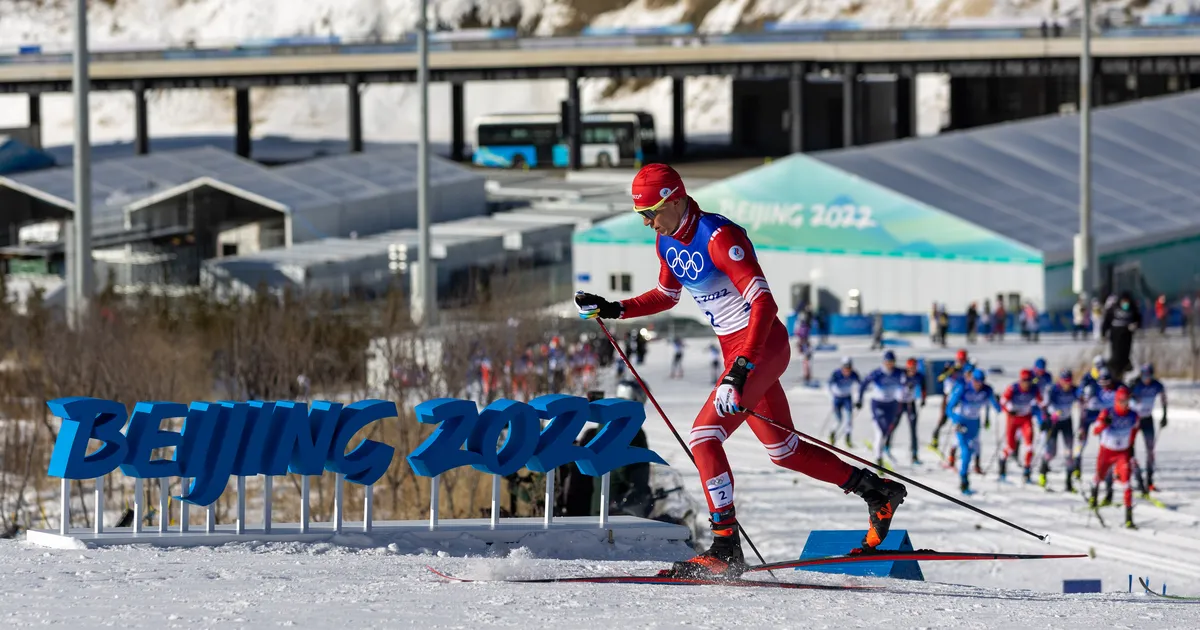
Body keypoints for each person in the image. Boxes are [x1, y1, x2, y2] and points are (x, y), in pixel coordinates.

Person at [574, 163, 906, 578]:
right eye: (641, 216)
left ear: (675, 199)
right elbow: (666, 294)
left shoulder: (719, 236)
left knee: (703, 437)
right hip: (738, 351)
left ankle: (725, 546)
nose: (648, 223)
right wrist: (615, 308)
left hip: (760, 345)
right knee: (785, 451)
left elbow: (764, 303)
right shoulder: (666, 240)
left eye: (652, 212)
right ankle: (878, 491)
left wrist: (741, 368)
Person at [1089, 386, 1140, 529]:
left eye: (1127, 401)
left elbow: (1135, 430)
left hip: (1122, 453)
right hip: (1107, 451)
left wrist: (1131, 448)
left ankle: (1129, 518)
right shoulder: (1107, 412)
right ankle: (1093, 499)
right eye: (1122, 401)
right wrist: (1105, 423)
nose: (1124, 403)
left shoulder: (1133, 415)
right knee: (1099, 476)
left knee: (1127, 483)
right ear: (1116, 400)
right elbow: (1095, 431)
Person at [946, 369, 1001, 495]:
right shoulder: (963, 388)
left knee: (974, 449)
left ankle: (968, 474)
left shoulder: (987, 390)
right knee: (966, 451)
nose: (978, 384)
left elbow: (997, 407)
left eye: (981, 381)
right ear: (971, 379)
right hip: (962, 422)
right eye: (976, 381)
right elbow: (949, 408)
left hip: (974, 424)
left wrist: (999, 403)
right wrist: (956, 420)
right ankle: (964, 480)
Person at [856, 351, 905, 469]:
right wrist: (859, 400)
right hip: (878, 404)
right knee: (880, 430)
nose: (890, 365)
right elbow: (863, 384)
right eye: (887, 362)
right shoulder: (877, 373)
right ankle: (878, 458)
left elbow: (911, 376)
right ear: (884, 362)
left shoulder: (898, 372)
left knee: (887, 431)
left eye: (892, 362)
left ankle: (879, 448)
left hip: (892, 404)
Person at [1073, 363, 1117, 484]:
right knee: (1081, 440)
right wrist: (1083, 393)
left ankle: (1108, 471)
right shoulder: (1088, 380)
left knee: (1105, 441)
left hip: (1099, 414)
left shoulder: (1107, 383)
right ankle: (1076, 465)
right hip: (1087, 415)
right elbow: (1078, 394)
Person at [999, 369, 1044, 483]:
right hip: (1013, 419)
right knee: (1011, 447)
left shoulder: (1034, 389)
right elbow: (1003, 402)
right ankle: (1002, 464)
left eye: (1028, 381)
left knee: (1029, 445)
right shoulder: (1013, 388)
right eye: (1024, 381)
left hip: (1025, 419)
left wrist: (1042, 420)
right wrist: (1010, 409)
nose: (1026, 383)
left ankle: (1027, 471)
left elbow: (1041, 405)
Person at [1128, 363, 1167, 494]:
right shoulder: (1135, 384)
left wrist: (1165, 415)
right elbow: (1123, 397)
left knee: (1150, 450)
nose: (1147, 378)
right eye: (1145, 375)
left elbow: (1163, 397)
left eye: (1149, 375)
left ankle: (1149, 481)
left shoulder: (1156, 385)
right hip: (1134, 420)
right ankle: (1137, 478)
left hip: (1147, 419)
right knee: (1129, 449)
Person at [1040, 368, 1079, 491]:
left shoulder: (1074, 390)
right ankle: (1043, 471)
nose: (1067, 383)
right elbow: (1044, 405)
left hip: (1067, 421)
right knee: (1051, 452)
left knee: (1069, 452)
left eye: (1069, 381)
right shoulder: (1053, 390)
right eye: (1064, 381)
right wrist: (1046, 419)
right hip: (1054, 422)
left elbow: (1083, 398)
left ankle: (1068, 482)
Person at [887, 357, 927, 465]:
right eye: (910, 368)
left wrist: (923, 399)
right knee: (894, 424)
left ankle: (914, 455)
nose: (912, 371)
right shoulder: (901, 373)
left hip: (910, 403)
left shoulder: (919, 376)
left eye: (914, 368)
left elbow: (923, 387)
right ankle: (886, 446)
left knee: (913, 429)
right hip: (899, 403)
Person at [930, 349, 970, 451]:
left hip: (959, 398)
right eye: (960, 360)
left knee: (958, 422)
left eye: (963, 360)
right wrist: (950, 371)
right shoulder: (950, 368)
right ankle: (935, 438)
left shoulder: (966, 370)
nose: (962, 362)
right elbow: (940, 378)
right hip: (948, 397)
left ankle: (956, 447)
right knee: (943, 419)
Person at [1103, 292, 1141, 380]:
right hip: (1116, 335)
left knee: (1125, 356)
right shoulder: (1114, 309)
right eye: (1124, 301)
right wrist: (1103, 332)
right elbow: (1107, 320)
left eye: (1127, 301)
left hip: (1127, 336)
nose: (1125, 303)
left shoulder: (1132, 309)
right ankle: (1115, 374)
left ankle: (1123, 374)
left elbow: (1138, 319)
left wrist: (1135, 325)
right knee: (1116, 355)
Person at [827, 357, 861, 447]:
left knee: (849, 420)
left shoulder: (854, 374)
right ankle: (832, 434)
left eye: (849, 368)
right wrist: (831, 397)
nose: (847, 370)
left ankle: (848, 439)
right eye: (845, 368)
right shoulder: (836, 374)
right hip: (837, 398)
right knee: (839, 420)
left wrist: (858, 400)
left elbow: (859, 386)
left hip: (847, 398)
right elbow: (829, 386)